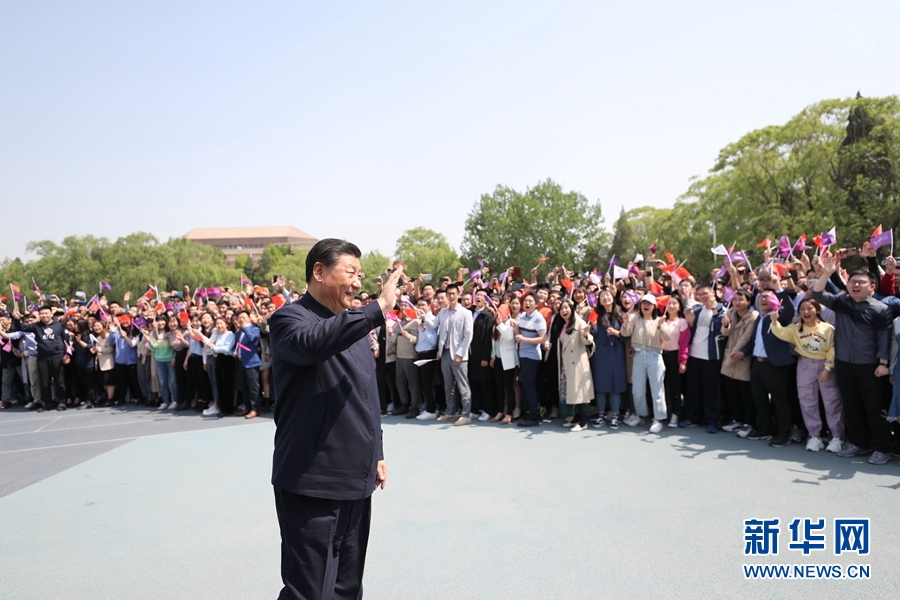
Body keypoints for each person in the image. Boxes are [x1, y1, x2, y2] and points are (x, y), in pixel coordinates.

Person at [268, 238, 400, 600]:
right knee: (309, 590)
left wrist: (378, 453)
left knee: (346, 587)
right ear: (319, 271)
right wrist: (376, 309)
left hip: (355, 478)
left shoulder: (352, 325)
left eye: (361, 274)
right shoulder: (289, 319)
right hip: (312, 480)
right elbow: (313, 343)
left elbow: (367, 395)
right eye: (351, 272)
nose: (358, 282)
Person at [813, 253, 893, 464]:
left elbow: (884, 338)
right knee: (851, 405)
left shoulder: (881, 309)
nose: (856, 285)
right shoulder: (841, 302)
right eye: (852, 282)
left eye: (861, 282)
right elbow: (817, 293)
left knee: (874, 408)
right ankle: (858, 442)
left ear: (872, 287)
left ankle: (883, 447)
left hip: (870, 366)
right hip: (844, 364)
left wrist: (883, 364)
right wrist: (828, 273)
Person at [770, 297, 844, 452]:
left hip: (825, 365)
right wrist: (775, 321)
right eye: (802, 309)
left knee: (832, 401)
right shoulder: (796, 328)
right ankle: (814, 436)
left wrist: (828, 368)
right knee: (807, 401)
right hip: (804, 364)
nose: (806, 312)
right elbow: (781, 333)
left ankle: (837, 437)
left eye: (810, 308)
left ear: (817, 310)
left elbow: (833, 348)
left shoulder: (828, 328)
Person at [620, 294, 671, 433]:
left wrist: (661, 326)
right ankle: (640, 415)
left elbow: (667, 337)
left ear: (654, 306)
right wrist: (625, 322)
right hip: (638, 356)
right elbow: (625, 333)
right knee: (637, 389)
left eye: (649, 303)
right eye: (644, 303)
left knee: (657, 389)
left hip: (654, 356)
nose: (646, 306)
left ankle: (658, 419)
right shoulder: (635, 319)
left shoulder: (659, 320)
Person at [719, 290, 758, 435]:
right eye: (735, 299)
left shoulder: (753, 317)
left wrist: (740, 353)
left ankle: (749, 423)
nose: (737, 302)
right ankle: (737, 420)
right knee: (732, 393)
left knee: (745, 394)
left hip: (742, 358)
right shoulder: (730, 313)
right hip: (729, 356)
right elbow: (724, 334)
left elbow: (748, 338)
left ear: (748, 301)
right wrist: (726, 325)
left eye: (741, 299)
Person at [436, 283, 475, 426]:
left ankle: (466, 414)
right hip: (445, 353)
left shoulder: (466, 313)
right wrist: (423, 318)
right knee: (448, 385)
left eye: (453, 294)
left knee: (462, 385)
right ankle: (451, 411)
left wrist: (460, 354)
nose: (451, 296)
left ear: (458, 294)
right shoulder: (442, 312)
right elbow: (433, 325)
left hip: (458, 355)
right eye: (449, 294)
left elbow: (468, 335)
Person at [589, 288, 627, 429]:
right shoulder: (596, 313)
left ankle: (615, 416)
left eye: (608, 295)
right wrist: (592, 327)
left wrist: (618, 333)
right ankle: (600, 415)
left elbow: (627, 334)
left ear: (613, 297)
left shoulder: (621, 313)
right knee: (600, 386)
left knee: (615, 386)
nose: (605, 298)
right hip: (601, 354)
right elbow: (592, 333)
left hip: (617, 354)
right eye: (602, 296)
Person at [555, 300, 594, 431]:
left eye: (566, 308)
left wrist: (585, 334)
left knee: (580, 392)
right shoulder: (562, 325)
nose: (564, 311)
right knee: (573, 391)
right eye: (561, 309)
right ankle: (576, 418)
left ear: (572, 309)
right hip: (566, 363)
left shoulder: (580, 323)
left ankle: (583, 422)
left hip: (577, 362)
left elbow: (588, 341)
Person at [513, 292, 547, 427]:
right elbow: (518, 336)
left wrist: (524, 339)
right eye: (525, 301)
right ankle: (531, 412)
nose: (527, 303)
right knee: (526, 385)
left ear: (536, 304)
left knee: (529, 386)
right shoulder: (522, 316)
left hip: (532, 357)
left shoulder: (539, 318)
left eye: (530, 301)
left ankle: (534, 416)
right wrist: (515, 328)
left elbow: (542, 339)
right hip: (523, 355)